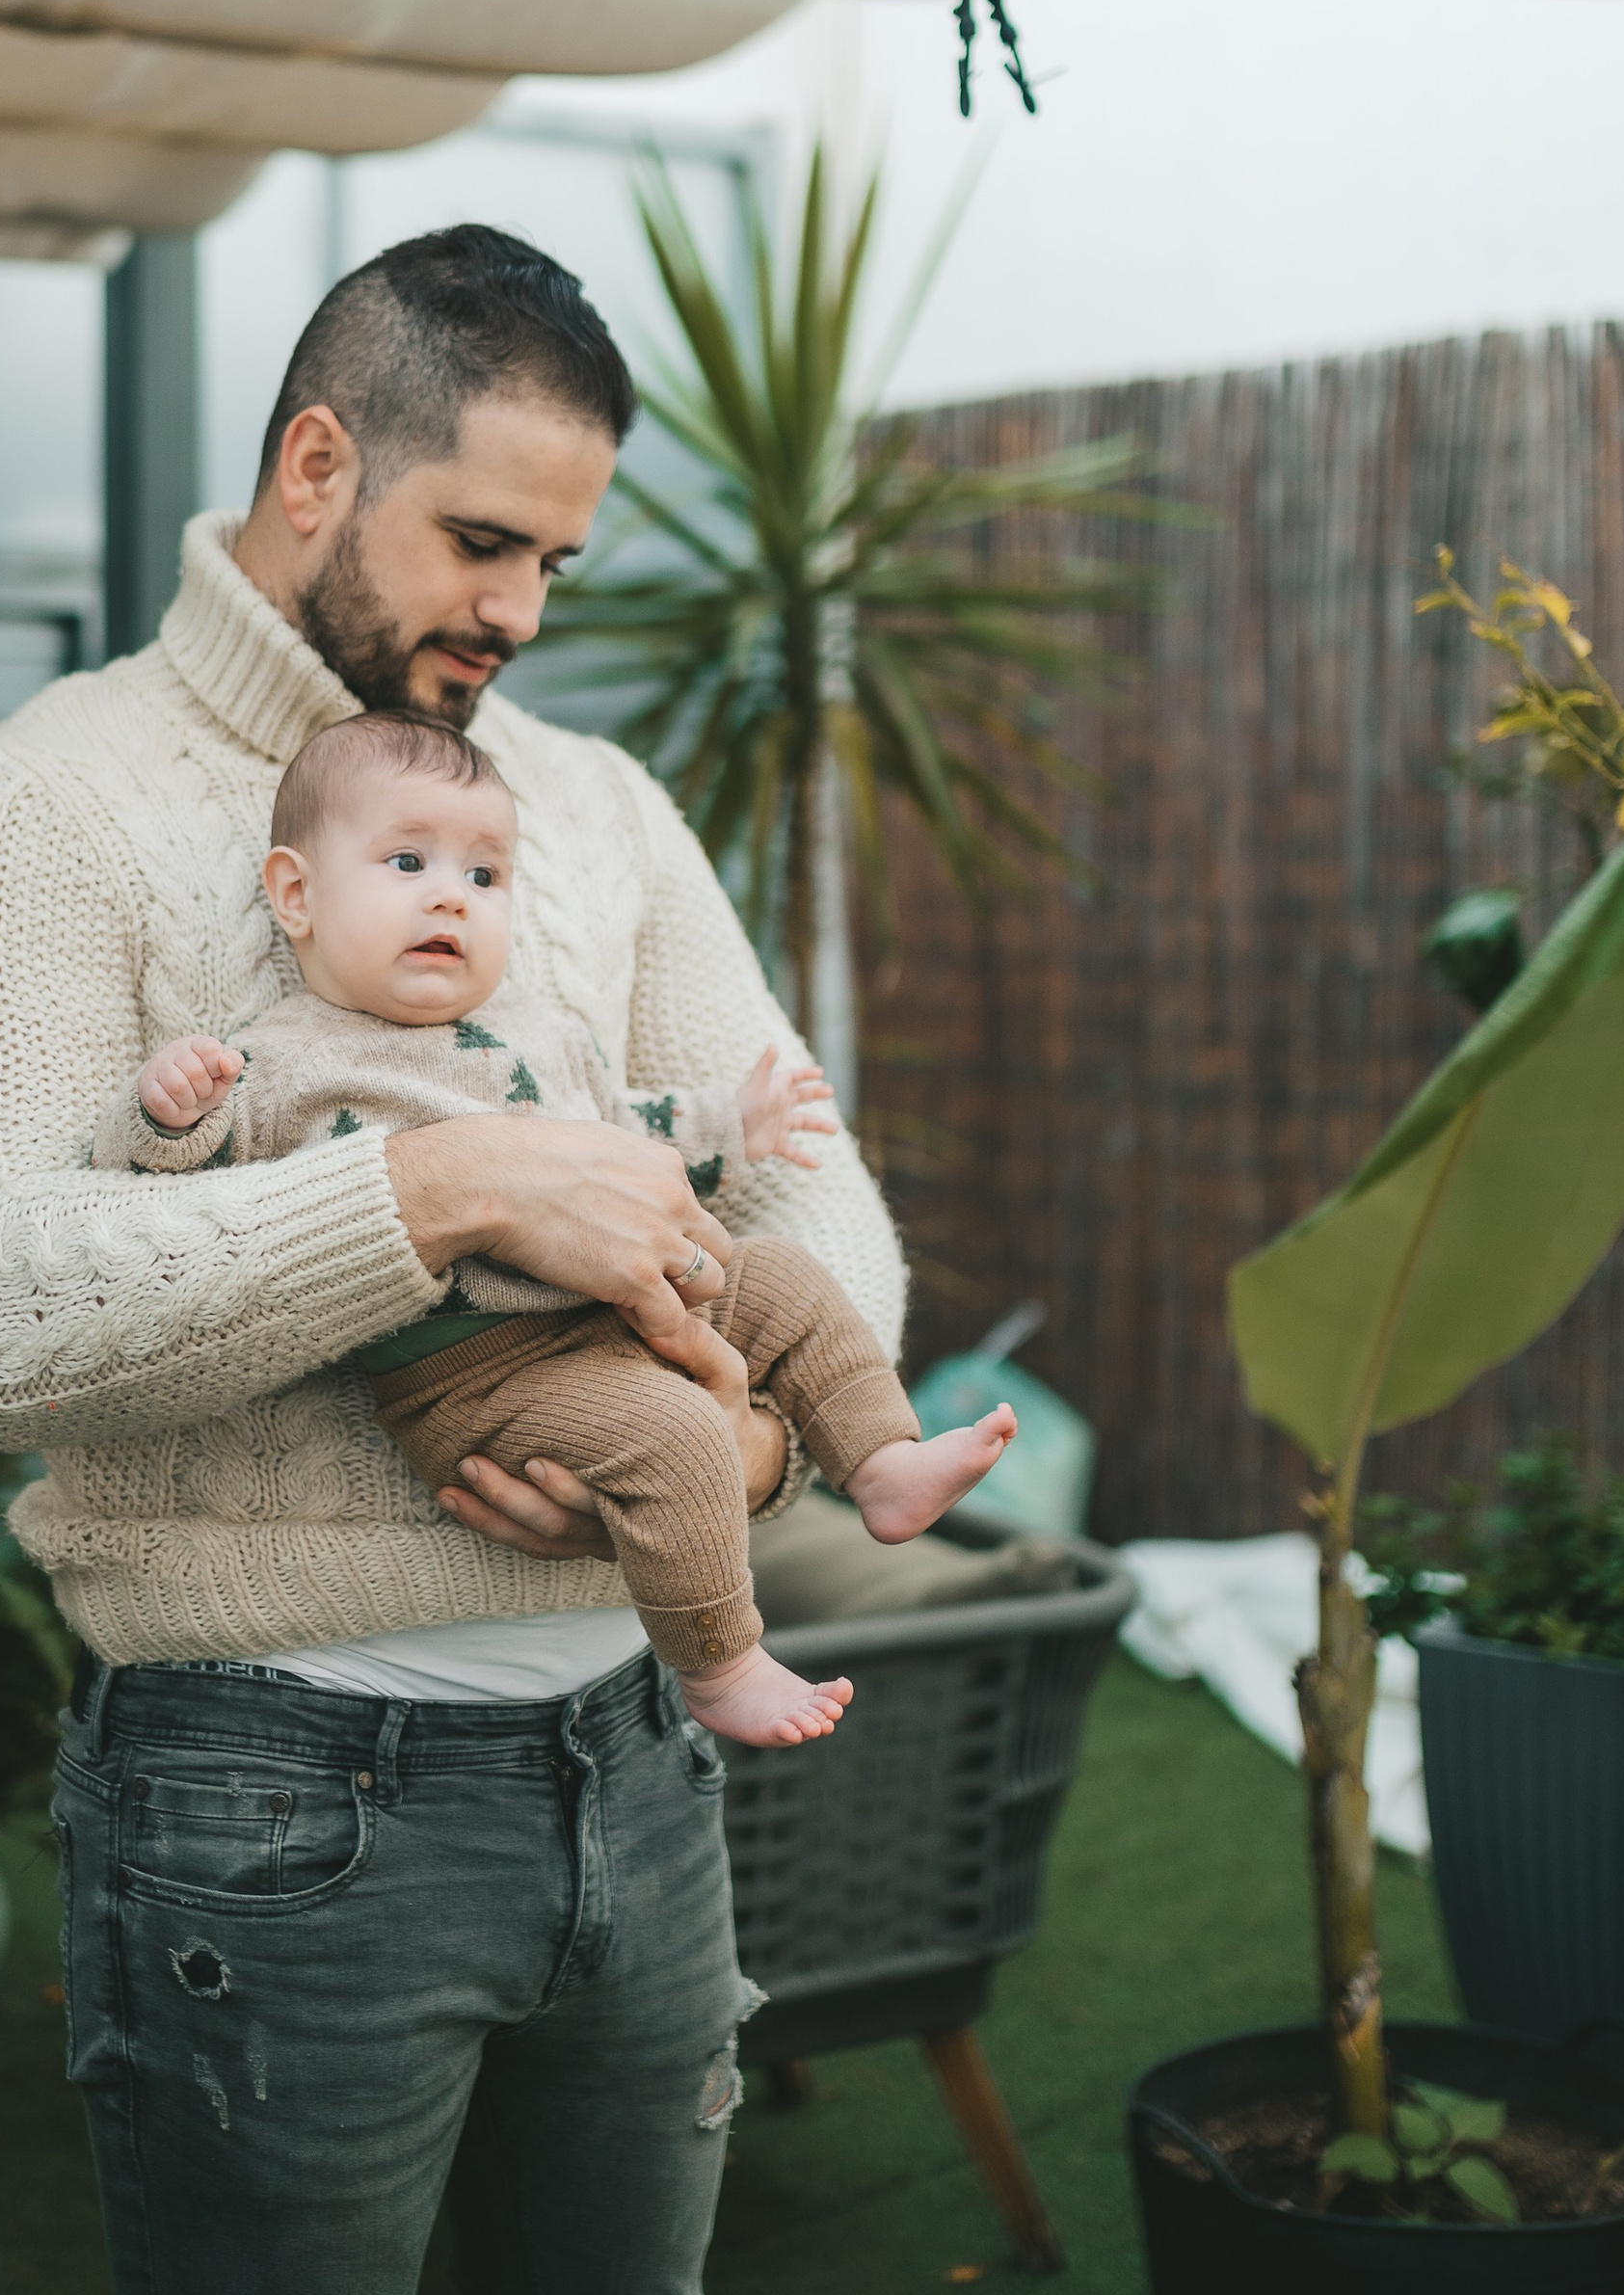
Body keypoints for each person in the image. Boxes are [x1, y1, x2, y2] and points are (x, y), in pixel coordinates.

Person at [0, 224, 910, 2295]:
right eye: (482, 540)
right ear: (319, 463)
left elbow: (815, 1192)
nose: (522, 610)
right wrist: (433, 1200)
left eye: (559, 556)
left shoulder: (598, 813)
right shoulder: (30, 816)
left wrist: (740, 1451)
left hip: (637, 1773)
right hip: (271, 1799)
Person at [100, 707, 1016, 1744]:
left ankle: (881, 1461)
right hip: (474, 1375)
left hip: (619, 1314)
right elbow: (167, 1188)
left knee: (786, 1279)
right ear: (296, 894)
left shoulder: (539, 1027)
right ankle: (720, 1663)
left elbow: (630, 1132)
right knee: (673, 1432)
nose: (451, 893)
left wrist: (734, 1123)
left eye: (484, 874)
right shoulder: (279, 1060)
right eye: (407, 861)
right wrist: (164, 1108)